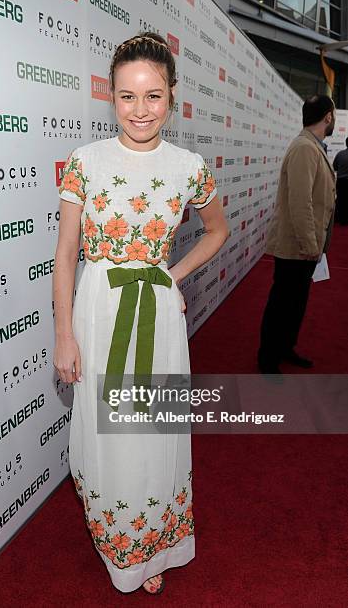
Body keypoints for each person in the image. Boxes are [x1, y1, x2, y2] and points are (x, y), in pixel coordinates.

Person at [53, 32, 228, 595]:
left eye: (153, 96)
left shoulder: (189, 167)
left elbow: (218, 231)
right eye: (127, 96)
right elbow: (63, 256)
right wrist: (64, 334)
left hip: (155, 314)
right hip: (98, 313)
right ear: (111, 97)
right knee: (108, 436)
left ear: (172, 96)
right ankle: (120, 544)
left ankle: (154, 545)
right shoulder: (85, 162)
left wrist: (170, 277)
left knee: (154, 433)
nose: (140, 109)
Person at [258, 95, 336, 375]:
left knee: (295, 304)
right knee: (282, 304)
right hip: (298, 246)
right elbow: (300, 202)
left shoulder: (312, 146)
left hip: (305, 245)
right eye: (333, 115)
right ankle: (268, 359)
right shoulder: (305, 147)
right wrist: (310, 245)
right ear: (328, 116)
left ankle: (284, 348)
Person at [333, 137, 348, 225]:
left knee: (340, 200)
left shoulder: (340, 154)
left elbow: (334, 167)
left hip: (341, 182)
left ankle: (340, 219)